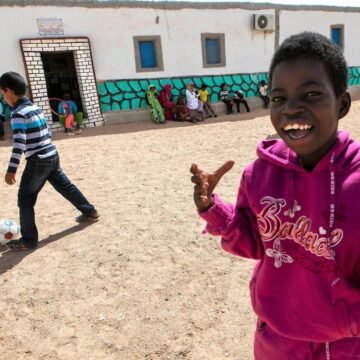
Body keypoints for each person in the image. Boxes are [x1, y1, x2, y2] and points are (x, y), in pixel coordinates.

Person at [190, 32, 360, 358]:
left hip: (345, 348)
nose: (291, 109)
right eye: (279, 98)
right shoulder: (259, 175)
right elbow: (254, 241)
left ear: (341, 104)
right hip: (275, 342)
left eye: (311, 94)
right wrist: (213, 208)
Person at [0, 72, 99, 250]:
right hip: (52, 155)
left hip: (37, 161)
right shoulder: (35, 108)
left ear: (8, 91)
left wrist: (11, 169)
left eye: (2, 93)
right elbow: (47, 133)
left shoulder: (18, 113)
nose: (3, 97)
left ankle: (28, 241)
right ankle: (89, 211)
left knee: (25, 199)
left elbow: (19, 143)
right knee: (66, 187)